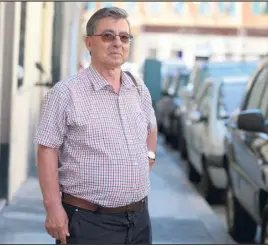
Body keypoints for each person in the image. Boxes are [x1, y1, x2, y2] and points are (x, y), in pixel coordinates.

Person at [34, 6, 158, 245]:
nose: (117, 43)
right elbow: (46, 149)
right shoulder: (66, 93)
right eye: (108, 36)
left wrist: (148, 156)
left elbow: (151, 126)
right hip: (88, 223)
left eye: (124, 37)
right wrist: (53, 208)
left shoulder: (138, 88)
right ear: (89, 42)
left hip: (139, 220)